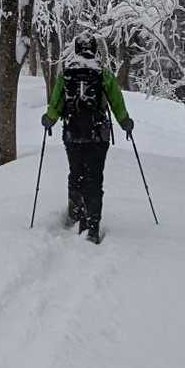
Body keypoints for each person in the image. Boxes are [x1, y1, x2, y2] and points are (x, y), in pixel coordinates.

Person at [42, 36, 132, 243]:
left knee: (76, 173)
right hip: (98, 135)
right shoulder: (103, 73)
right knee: (94, 178)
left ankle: (76, 214)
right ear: (94, 50)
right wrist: (125, 122)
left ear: (76, 50)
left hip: (73, 134)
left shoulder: (67, 74)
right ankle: (92, 226)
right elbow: (116, 100)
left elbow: (56, 103)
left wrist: (49, 119)